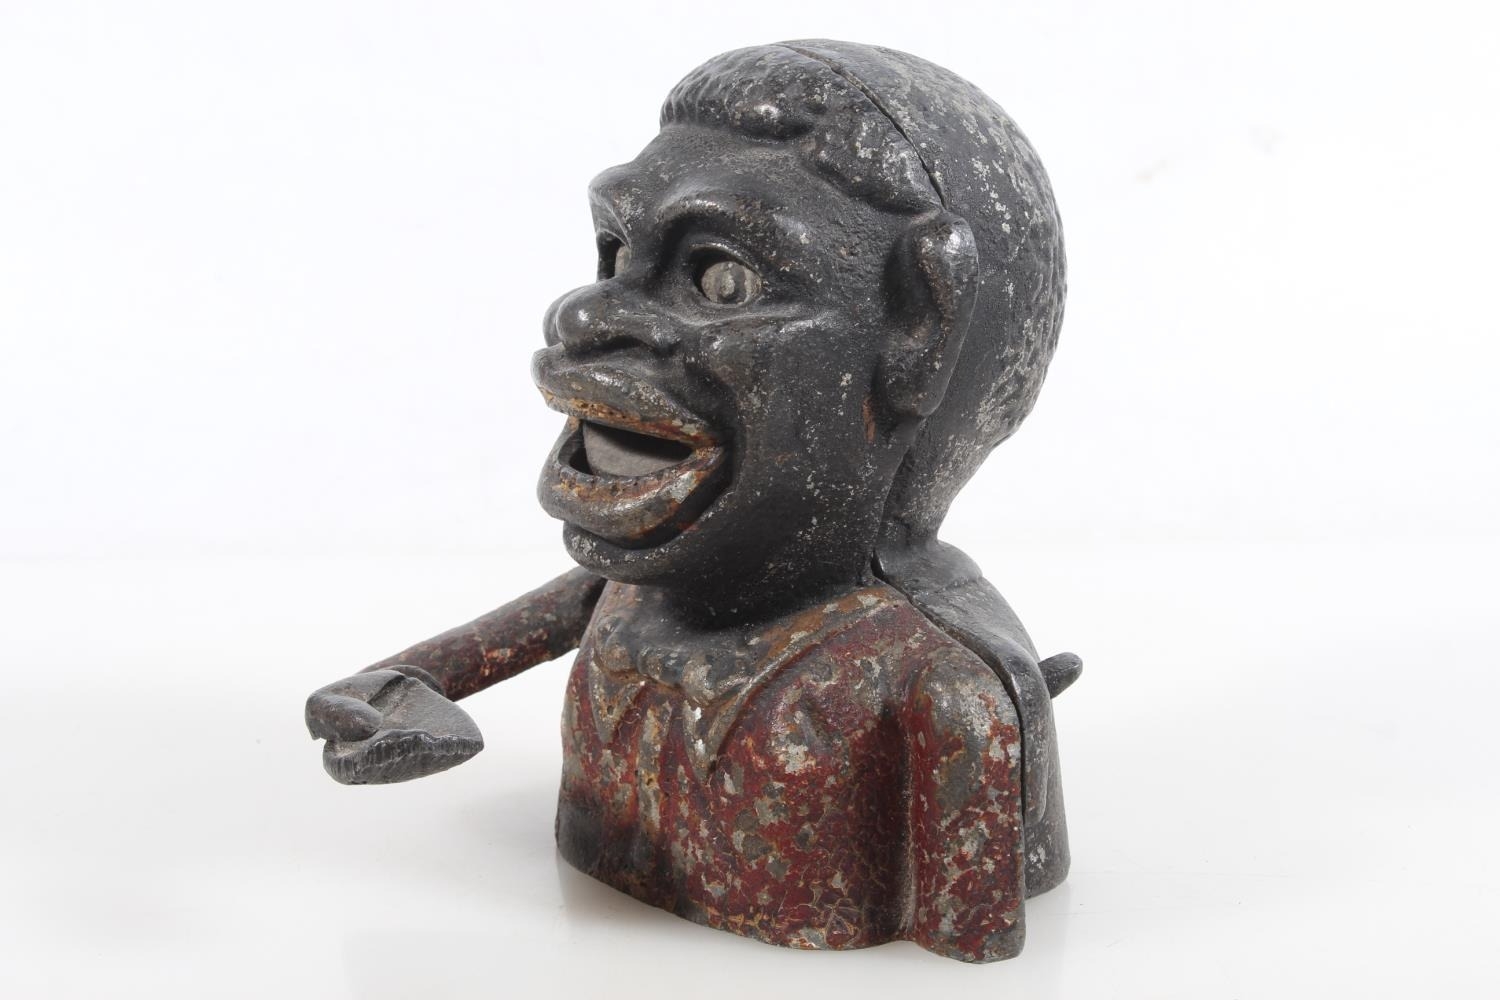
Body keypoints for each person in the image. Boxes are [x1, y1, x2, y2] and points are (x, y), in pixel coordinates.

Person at [307, 40, 1080, 963]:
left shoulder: (936, 689)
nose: (584, 315)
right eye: (614, 252)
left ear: (923, 334)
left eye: (721, 279)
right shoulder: (637, 591)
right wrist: (379, 701)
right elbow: (408, 680)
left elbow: (976, 955)